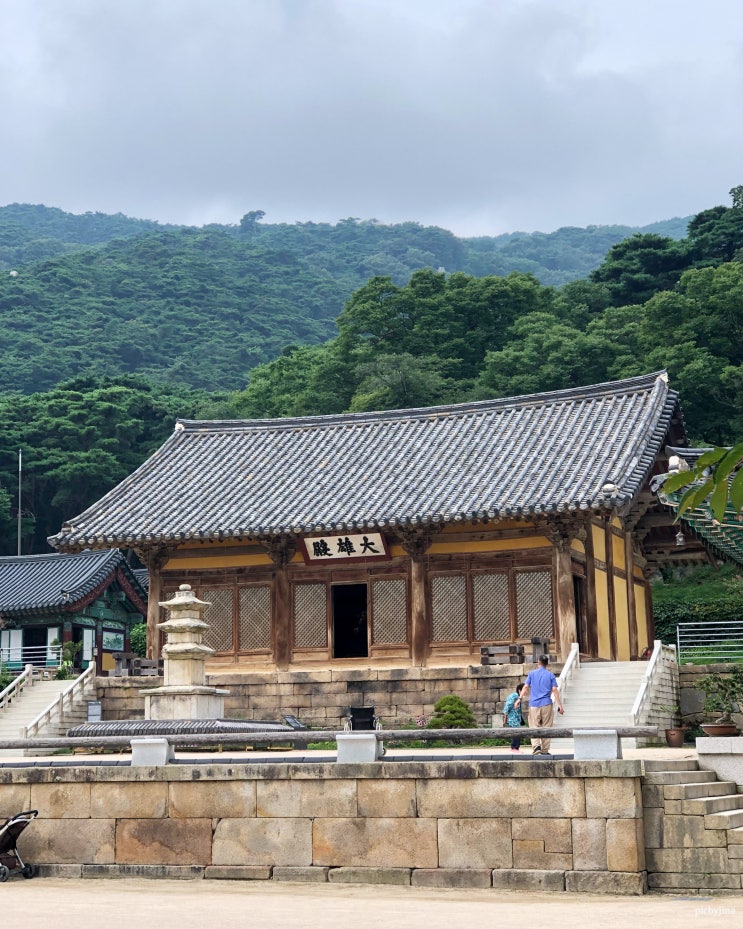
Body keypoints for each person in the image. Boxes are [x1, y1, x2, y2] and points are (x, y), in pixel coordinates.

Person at [517, 654, 564, 755]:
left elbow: (525, 687)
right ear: (547, 664)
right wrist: (560, 705)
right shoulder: (550, 675)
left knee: (534, 726)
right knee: (547, 727)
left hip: (534, 704)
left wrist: (519, 699)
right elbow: (554, 690)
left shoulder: (532, 674)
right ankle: (545, 749)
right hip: (546, 703)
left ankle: (536, 746)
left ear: (538, 663)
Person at [502, 682, 525, 752]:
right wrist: (505, 718)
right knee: (516, 733)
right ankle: (514, 747)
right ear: (520, 690)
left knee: (515, 733)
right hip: (513, 718)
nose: (526, 691)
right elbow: (507, 706)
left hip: (515, 718)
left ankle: (514, 747)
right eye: (524, 690)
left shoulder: (517, 697)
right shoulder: (515, 696)